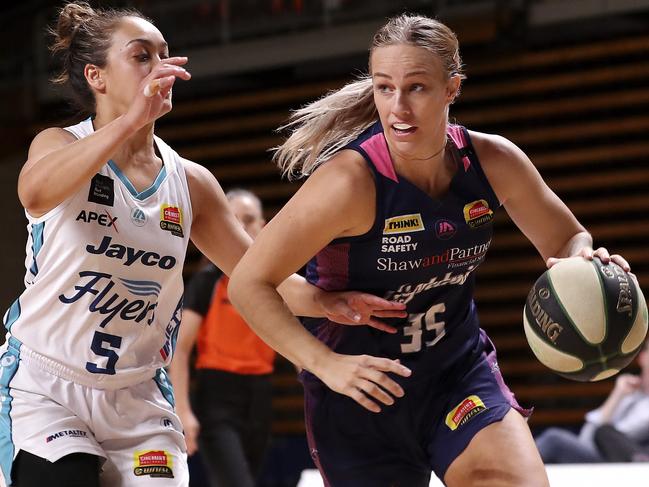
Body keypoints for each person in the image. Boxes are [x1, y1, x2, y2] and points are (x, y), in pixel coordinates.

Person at [0, 3, 407, 486]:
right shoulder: (59, 144)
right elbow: (34, 193)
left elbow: (254, 273)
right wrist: (129, 121)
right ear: (97, 77)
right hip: (49, 387)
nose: (162, 68)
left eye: (165, 54)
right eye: (142, 56)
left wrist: (326, 301)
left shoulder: (190, 182)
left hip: (138, 397)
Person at [228, 13, 634, 487]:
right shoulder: (348, 182)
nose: (397, 106)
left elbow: (568, 237)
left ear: (452, 89)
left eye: (416, 87)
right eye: (384, 87)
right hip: (362, 393)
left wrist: (582, 263)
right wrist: (326, 365)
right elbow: (249, 283)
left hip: (457, 376)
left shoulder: (493, 161)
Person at [169, 189, 275, 487]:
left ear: (263, 226)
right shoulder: (208, 281)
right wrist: (183, 409)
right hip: (217, 396)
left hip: (261, 395)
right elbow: (180, 348)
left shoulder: (276, 281)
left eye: (249, 220)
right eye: (234, 220)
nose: (241, 228)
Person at [537, 338, 649, 464]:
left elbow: (618, 434)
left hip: (630, 459)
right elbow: (589, 437)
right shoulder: (628, 394)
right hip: (606, 456)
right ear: (642, 357)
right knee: (554, 439)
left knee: (554, 440)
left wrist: (606, 432)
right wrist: (617, 395)